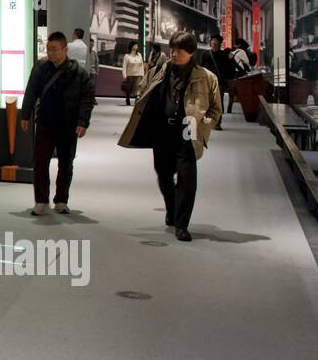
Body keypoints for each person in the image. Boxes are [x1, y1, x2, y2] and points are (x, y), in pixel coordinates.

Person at [119, 30, 223, 241]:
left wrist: (204, 126)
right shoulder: (160, 70)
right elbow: (142, 89)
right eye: (172, 49)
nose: (174, 54)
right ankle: (172, 208)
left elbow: (215, 108)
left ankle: (182, 224)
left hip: (189, 131)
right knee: (164, 174)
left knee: (187, 180)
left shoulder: (206, 78)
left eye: (180, 51)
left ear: (191, 52)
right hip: (162, 131)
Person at [19, 31, 96, 216]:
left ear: (65, 49)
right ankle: (41, 201)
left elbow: (88, 98)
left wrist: (82, 122)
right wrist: (25, 114)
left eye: (54, 49)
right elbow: (31, 91)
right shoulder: (40, 68)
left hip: (68, 126)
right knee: (40, 163)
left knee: (66, 164)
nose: (51, 53)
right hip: (45, 122)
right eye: (48, 49)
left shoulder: (78, 73)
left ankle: (61, 200)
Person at [208, 34, 232, 126]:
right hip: (208, 82)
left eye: (216, 42)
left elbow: (227, 70)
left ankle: (218, 122)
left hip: (219, 82)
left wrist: (230, 60)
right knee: (208, 102)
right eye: (212, 41)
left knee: (218, 102)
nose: (213, 43)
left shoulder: (223, 55)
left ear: (220, 44)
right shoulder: (206, 54)